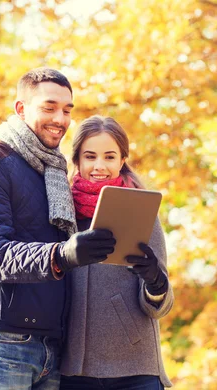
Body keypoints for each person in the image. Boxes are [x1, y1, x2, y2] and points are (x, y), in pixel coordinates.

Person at [0, 69, 116, 390]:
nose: (61, 118)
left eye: (68, 110)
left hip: (53, 346)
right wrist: (62, 254)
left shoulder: (54, 172)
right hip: (2, 342)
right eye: (49, 107)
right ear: (21, 108)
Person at [60, 115, 174, 389]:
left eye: (109, 157)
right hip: (73, 370)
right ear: (77, 161)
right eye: (90, 156)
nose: (99, 166)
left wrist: (155, 280)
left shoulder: (142, 210)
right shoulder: (61, 212)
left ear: (122, 161)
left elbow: (162, 305)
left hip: (135, 367)